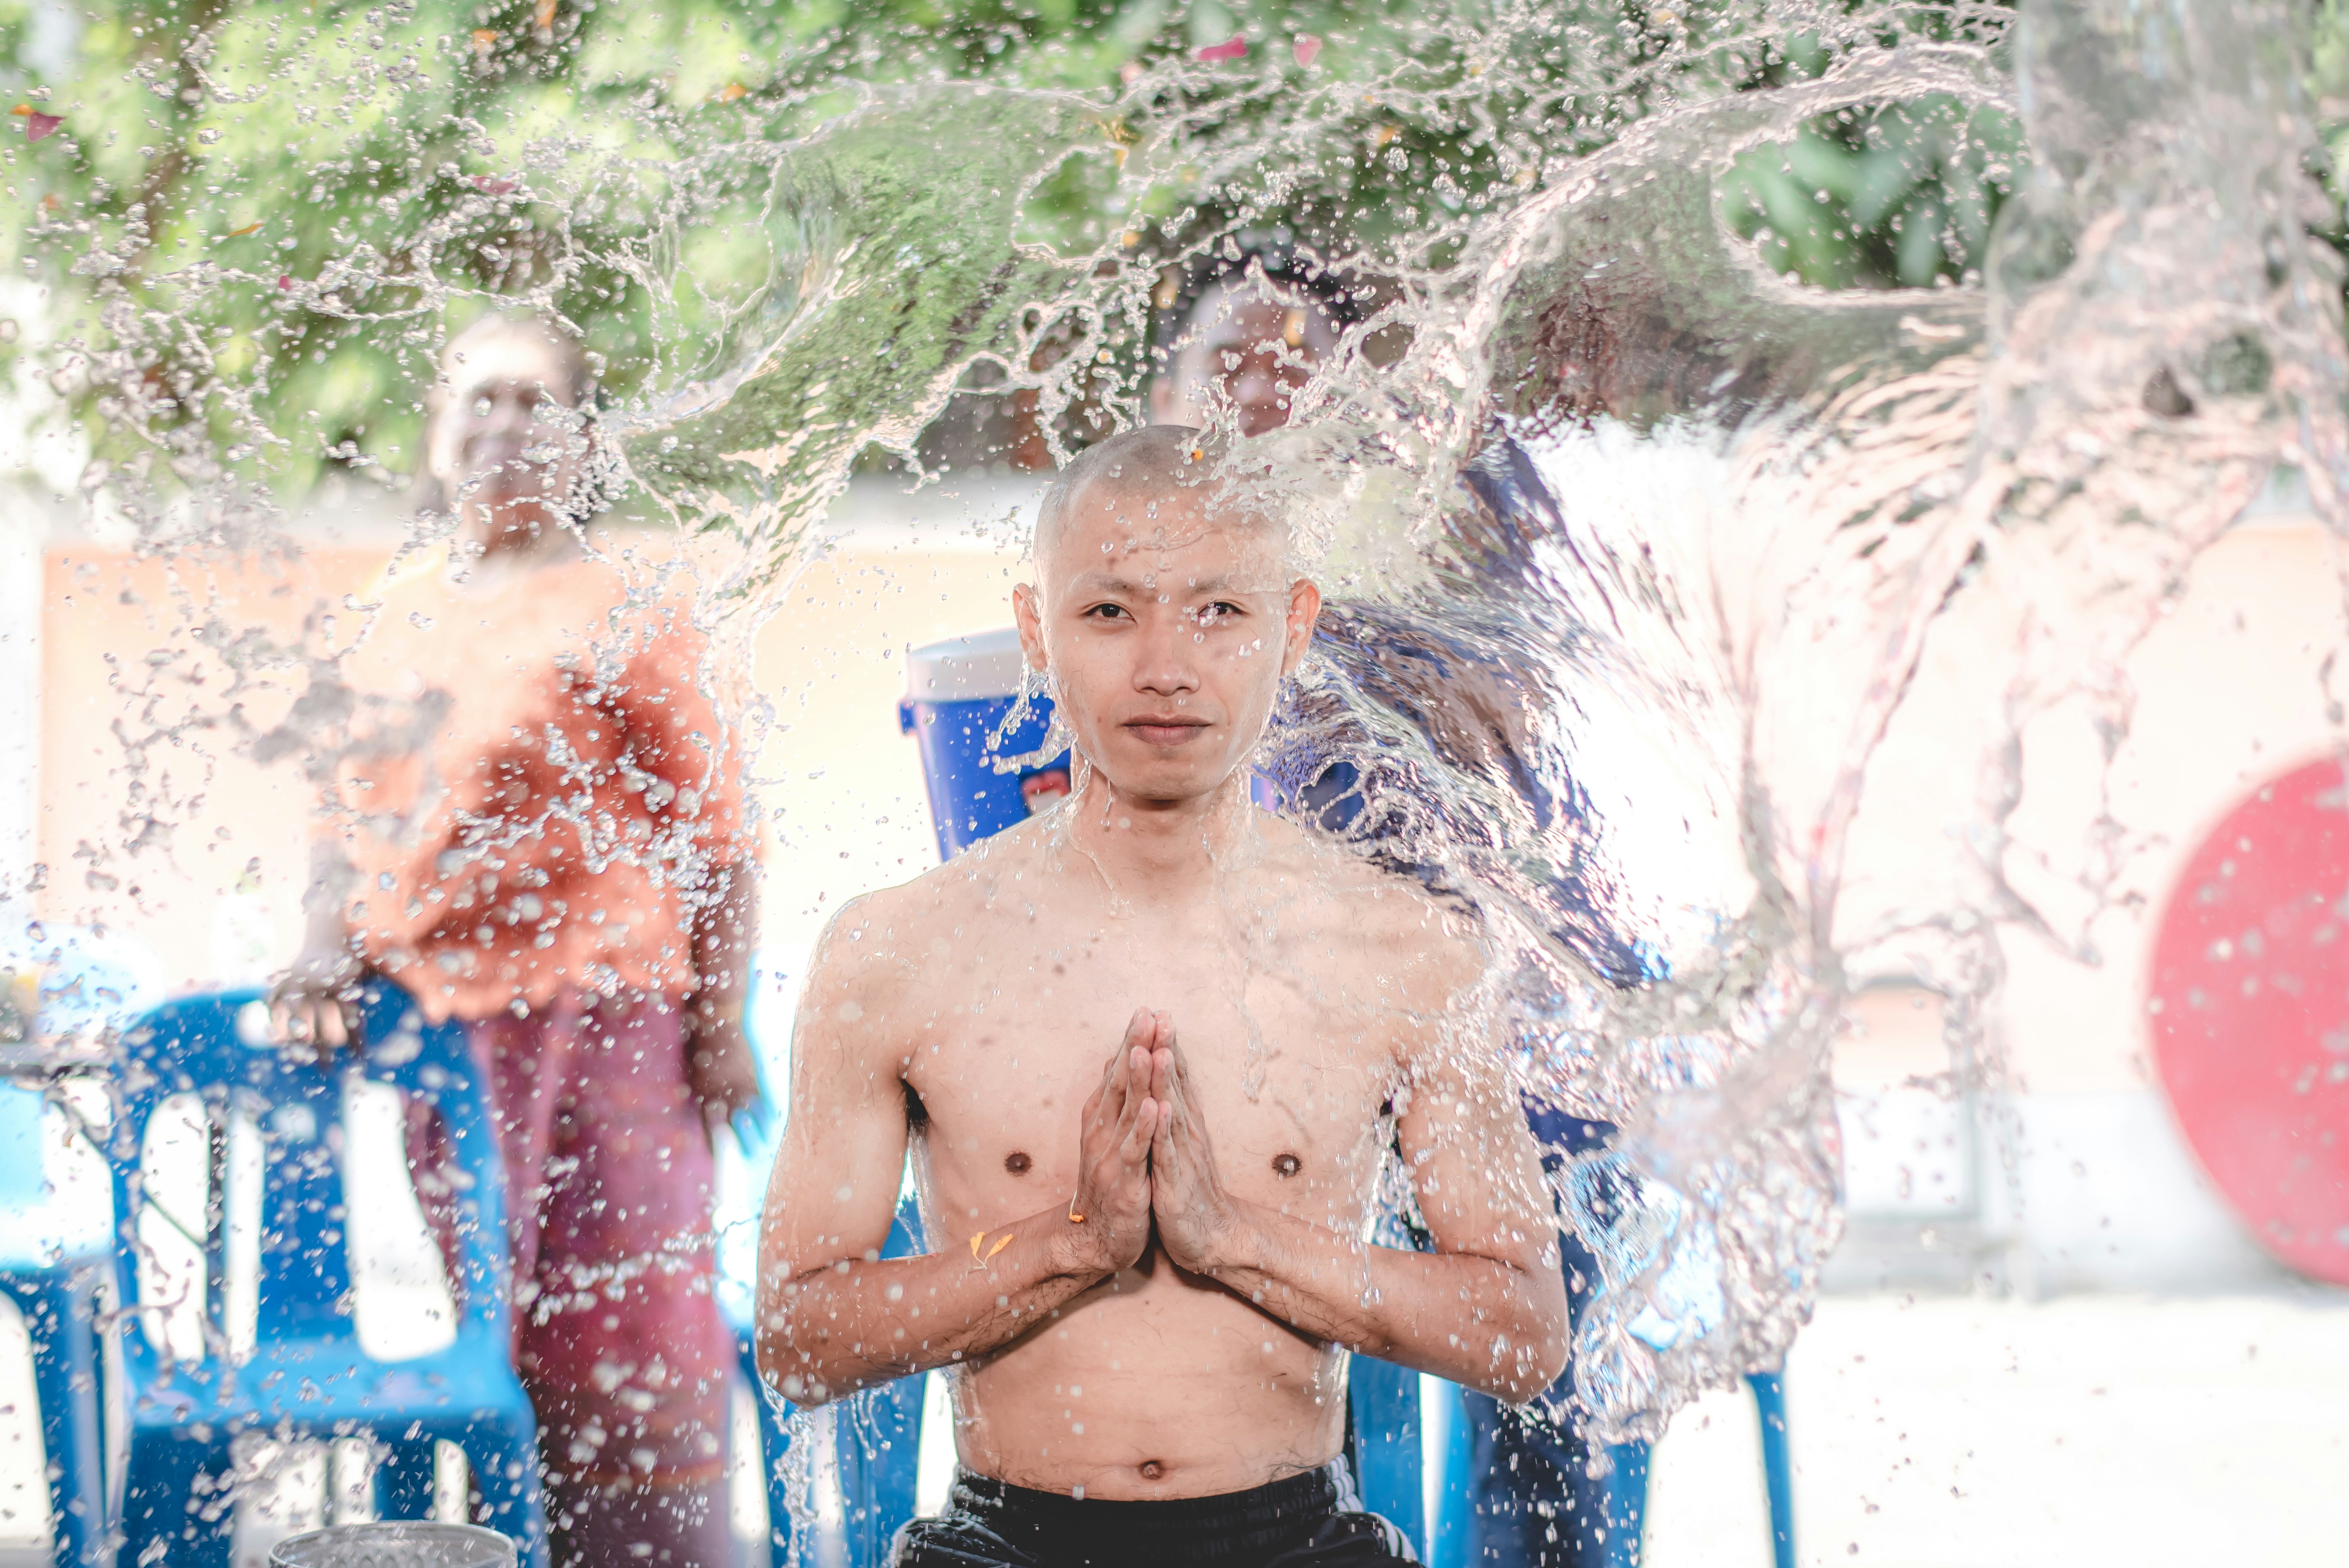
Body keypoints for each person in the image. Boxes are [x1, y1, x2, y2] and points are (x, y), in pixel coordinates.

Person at [755, 424, 1570, 1568]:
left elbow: (1522, 1330)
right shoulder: (897, 952)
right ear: (1036, 632)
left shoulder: (1405, 949)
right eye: (1108, 613)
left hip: (1297, 1534)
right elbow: (798, 1342)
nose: (1165, 667)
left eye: (1219, 613)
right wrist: (1067, 1246)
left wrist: (1233, 1242)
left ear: (1293, 631)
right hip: (1003, 1538)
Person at [1152, 256, 1650, 1568]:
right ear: (1169, 399)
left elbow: (1507, 714)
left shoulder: (1429, 514)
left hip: (1509, 1021)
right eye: (1230, 366)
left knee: (1541, 1386)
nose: (1265, 392)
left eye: (1296, 365)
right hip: (1281, 1050)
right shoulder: (1135, 577)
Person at [272, 312, 762, 1566]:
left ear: (583, 439)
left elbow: (716, 831)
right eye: (476, 400)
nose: (501, 426)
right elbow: (341, 815)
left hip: (611, 1027)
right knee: (495, 1335)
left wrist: (718, 1025)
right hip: (446, 1037)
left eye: (532, 402)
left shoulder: (623, 600)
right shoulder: (397, 613)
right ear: (436, 437)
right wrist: (321, 942)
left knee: (629, 1344)